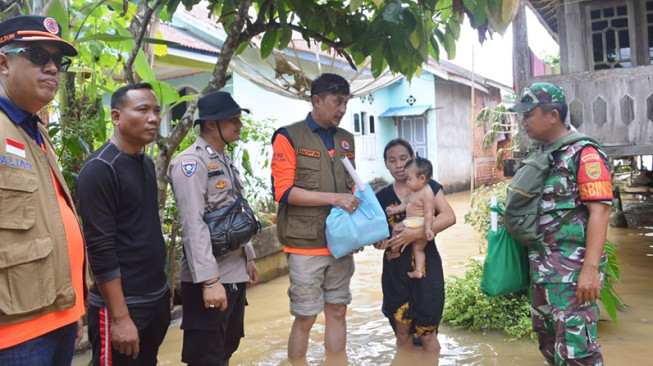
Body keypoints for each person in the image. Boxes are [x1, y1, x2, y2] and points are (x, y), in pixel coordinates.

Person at [0, 15, 88, 365]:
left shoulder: (36, 131)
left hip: (60, 316)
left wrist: (74, 307)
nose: (52, 68)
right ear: (3, 63)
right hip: (15, 332)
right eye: (38, 56)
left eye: (59, 61)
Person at [511, 82, 612, 365]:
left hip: (573, 273)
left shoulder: (584, 153)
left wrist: (590, 270)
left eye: (528, 114)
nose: (523, 122)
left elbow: (600, 212)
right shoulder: (541, 153)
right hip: (542, 269)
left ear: (553, 115)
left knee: (578, 353)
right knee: (550, 346)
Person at [77, 83, 171, 365]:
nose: (153, 118)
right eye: (142, 110)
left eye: (156, 111)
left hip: (154, 297)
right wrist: (119, 317)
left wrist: (163, 288)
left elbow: (147, 229)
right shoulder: (100, 169)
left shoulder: (144, 162)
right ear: (116, 116)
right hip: (123, 307)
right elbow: (100, 248)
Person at [270, 73, 362, 359]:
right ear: (317, 100)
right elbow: (283, 191)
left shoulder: (346, 140)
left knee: (337, 310)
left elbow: (355, 187)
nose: (343, 109)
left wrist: (358, 231)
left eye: (346, 102)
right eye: (337, 102)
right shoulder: (289, 136)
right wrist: (335, 199)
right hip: (305, 244)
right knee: (306, 317)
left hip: (341, 244)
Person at [168, 91, 259, 365]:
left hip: (234, 274)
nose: (239, 125)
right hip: (210, 280)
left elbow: (235, 211)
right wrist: (209, 281)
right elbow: (193, 225)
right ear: (210, 124)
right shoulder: (190, 163)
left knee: (226, 348)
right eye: (232, 120)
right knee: (206, 357)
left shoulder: (223, 158)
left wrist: (250, 256)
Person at [373, 139, 456, 351]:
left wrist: (415, 234)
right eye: (392, 160)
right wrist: (379, 242)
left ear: (413, 160)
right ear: (386, 164)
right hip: (395, 273)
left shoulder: (430, 187)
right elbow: (376, 237)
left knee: (428, 333)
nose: (399, 164)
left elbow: (448, 217)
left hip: (427, 270)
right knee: (402, 335)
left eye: (403, 158)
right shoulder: (380, 197)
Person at [385, 157, 436, 279]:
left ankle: (395, 251)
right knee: (417, 249)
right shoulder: (414, 190)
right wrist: (394, 210)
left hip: (419, 221)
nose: (406, 181)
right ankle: (418, 270)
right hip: (415, 222)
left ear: (422, 178)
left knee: (396, 229)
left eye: (409, 179)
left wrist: (428, 229)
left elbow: (429, 212)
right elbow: (405, 204)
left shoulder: (427, 192)